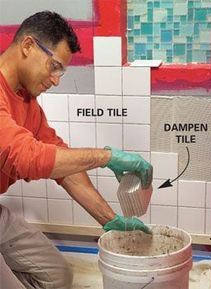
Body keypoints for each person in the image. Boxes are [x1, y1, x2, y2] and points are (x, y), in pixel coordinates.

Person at [0, 11, 153, 289]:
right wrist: (107, 157)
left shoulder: (27, 103)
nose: (56, 80)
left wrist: (109, 220)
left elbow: (62, 165)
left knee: (58, 275)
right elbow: (26, 158)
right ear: (28, 46)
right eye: (54, 66)